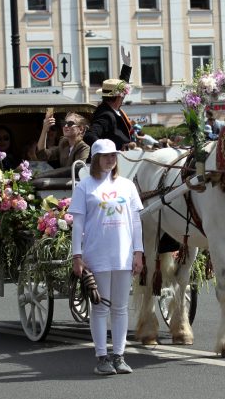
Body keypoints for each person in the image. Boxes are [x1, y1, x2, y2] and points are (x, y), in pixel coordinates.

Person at [69, 139, 144, 376]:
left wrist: (138, 252)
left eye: (113, 155)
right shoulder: (85, 186)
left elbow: (135, 222)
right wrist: (77, 255)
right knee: (100, 308)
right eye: (105, 156)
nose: (111, 159)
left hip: (123, 255)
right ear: (95, 159)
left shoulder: (127, 186)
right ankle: (101, 357)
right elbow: (77, 223)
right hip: (97, 254)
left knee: (120, 308)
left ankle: (119, 356)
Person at [84, 46, 133, 152]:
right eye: (123, 94)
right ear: (119, 96)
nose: (125, 95)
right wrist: (107, 151)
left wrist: (127, 66)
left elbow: (121, 84)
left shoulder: (113, 107)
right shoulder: (105, 114)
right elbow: (89, 136)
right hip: (113, 161)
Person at [35, 112, 90, 176]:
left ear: (80, 129)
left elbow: (76, 170)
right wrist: (44, 129)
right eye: (64, 123)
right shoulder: (63, 143)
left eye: (70, 124)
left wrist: (48, 174)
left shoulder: (83, 147)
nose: (65, 126)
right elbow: (42, 155)